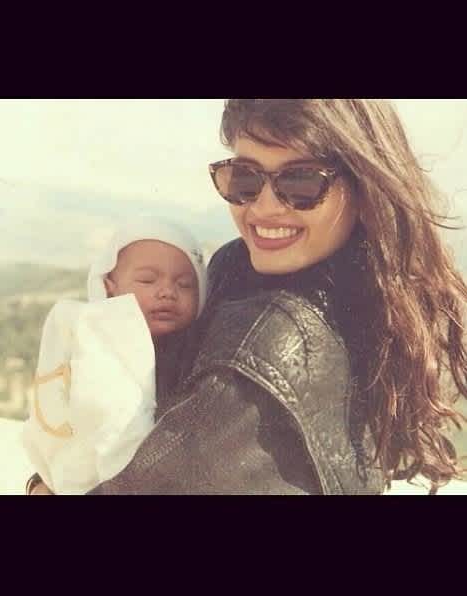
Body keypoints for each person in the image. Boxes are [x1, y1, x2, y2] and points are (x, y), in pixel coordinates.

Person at [27, 99, 467, 495]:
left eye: (300, 184)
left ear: (364, 186)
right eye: (244, 179)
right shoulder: (368, 284)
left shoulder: (266, 348)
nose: (262, 208)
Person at [23, 216, 207, 495]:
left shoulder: (198, 358)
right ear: (110, 286)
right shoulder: (95, 348)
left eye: (184, 284)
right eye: (147, 279)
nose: (167, 292)